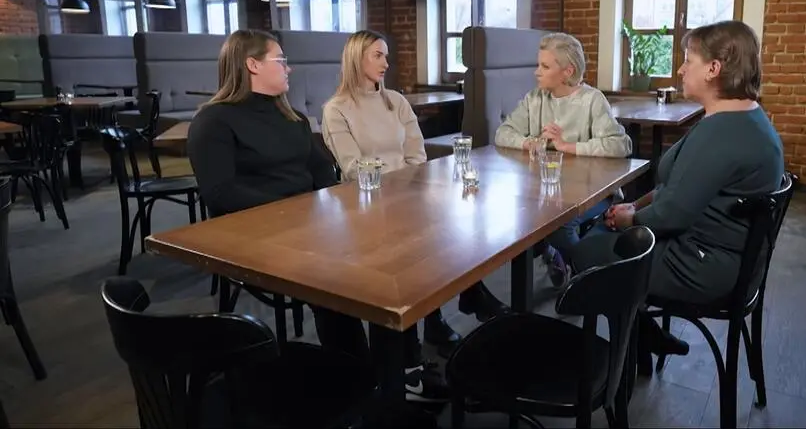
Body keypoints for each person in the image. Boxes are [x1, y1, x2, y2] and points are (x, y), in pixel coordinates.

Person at [186, 29, 447, 405]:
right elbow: (220, 193)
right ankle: (366, 385)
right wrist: (299, 211)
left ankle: (399, 372)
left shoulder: (289, 116)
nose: (288, 68)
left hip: (310, 227)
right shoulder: (213, 121)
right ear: (252, 65)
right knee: (347, 281)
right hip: (256, 235)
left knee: (390, 256)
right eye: (281, 60)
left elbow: (321, 168)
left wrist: (329, 210)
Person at [571, 20, 784, 359]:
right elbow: (678, 189)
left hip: (702, 267)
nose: (681, 70)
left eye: (688, 60)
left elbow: (672, 214)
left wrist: (630, 219)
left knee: (587, 251)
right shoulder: (744, 118)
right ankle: (642, 337)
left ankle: (610, 362)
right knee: (609, 235)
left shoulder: (722, 133)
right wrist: (635, 208)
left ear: (714, 69)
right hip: (729, 259)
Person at [319, 30, 508, 359]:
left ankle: (447, 311)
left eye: (386, 56)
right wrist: (397, 182)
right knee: (416, 241)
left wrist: (405, 185)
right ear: (356, 58)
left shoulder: (396, 100)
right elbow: (353, 167)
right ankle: (446, 315)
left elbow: (417, 154)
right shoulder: (336, 109)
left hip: (407, 194)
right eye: (378, 55)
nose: (386, 63)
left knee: (448, 229)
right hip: (367, 204)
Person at [494, 32, 631, 286]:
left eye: (545, 66)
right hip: (544, 193)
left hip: (594, 193)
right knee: (516, 216)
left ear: (568, 71)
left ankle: (585, 279)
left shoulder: (592, 100)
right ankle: (563, 260)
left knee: (559, 227)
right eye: (538, 65)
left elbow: (621, 145)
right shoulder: (534, 98)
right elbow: (503, 133)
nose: (536, 72)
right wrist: (531, 142)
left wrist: (568, 146)